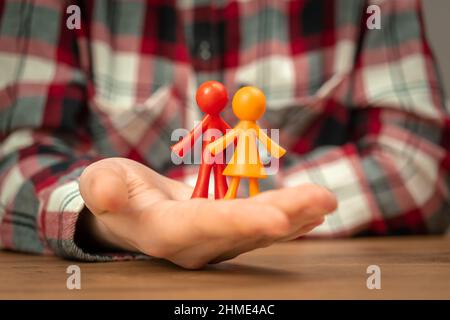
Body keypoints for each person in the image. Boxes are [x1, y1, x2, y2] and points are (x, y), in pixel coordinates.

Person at [0, 0, 448, 269]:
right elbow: (16, 153)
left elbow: (415, 161)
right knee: (211, 183)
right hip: (220, 164)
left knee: (224, 184)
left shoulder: (236, 127)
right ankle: (211, 200)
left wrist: (257, 173)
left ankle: (220, 201)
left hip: (241, 166)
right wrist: (108, 221)